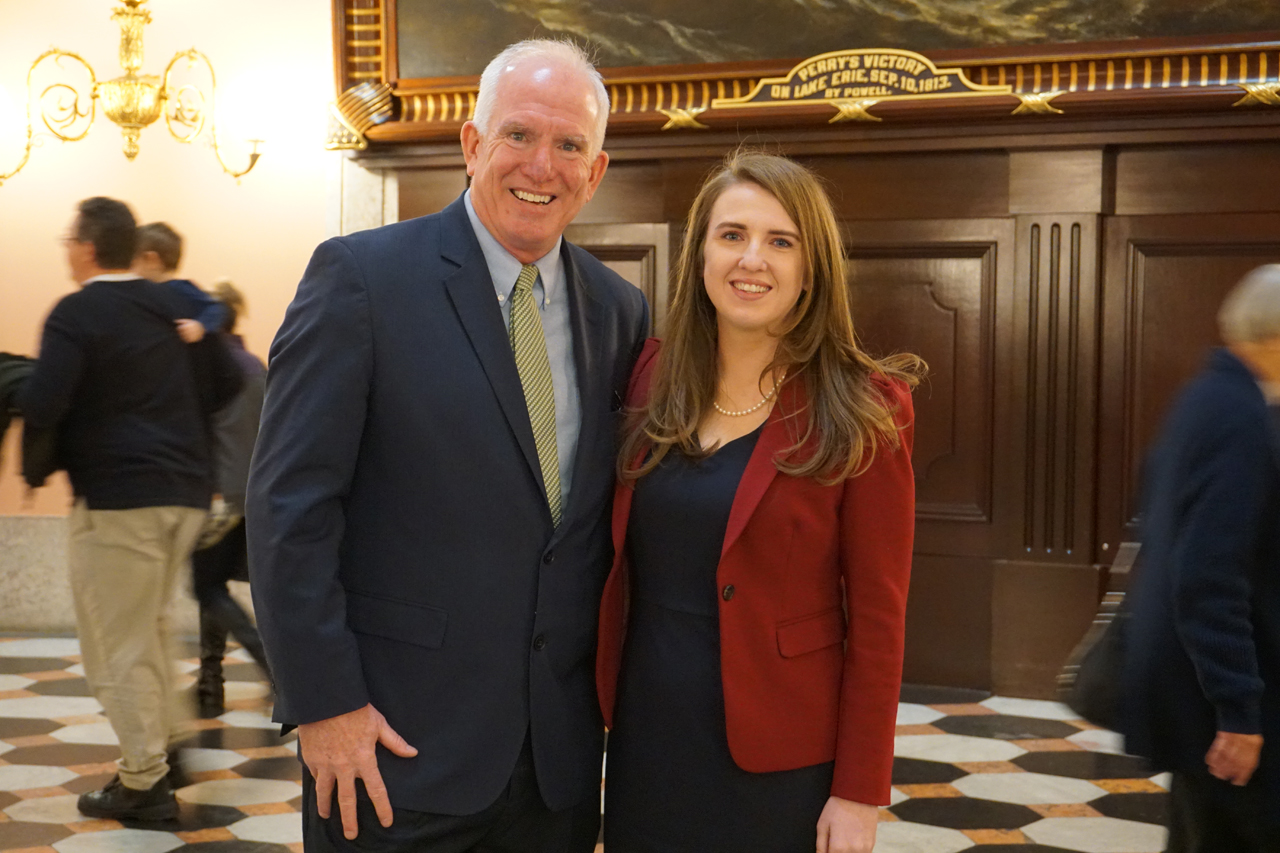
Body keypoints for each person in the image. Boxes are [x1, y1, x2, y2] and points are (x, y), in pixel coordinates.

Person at [246, 39, 649, 852]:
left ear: (595, 171)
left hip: (555, 771)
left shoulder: (621, 312)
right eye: (519, 135)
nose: (542, 164)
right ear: (472, 145)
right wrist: (324, 706)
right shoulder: (362, 279)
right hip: (392, 755)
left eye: (569, 145)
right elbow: (289, 507)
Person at [596, 152, 923, 853]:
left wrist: (859, 790)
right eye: (732, 234)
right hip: (647, 738)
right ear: (701, 254)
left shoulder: (865, 407)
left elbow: (878, 620)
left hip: (781, 755)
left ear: (813, 267)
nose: (753, 259)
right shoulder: (650, 376)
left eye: (781, 241)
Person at [17, 197, 240, 821]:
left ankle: (144, 782)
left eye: (69, 240)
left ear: (87, 248)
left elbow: (45, 401)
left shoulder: (77, 311)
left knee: (116, 645)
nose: (67, 250)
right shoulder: (171, 302)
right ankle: (164, 745)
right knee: (148, 629)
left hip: (119, 499)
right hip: (186, 494)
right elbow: (226, 380)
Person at [1120, 265, 1280, 853]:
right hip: (1220, 696)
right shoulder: (1239, 417)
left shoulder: (1207, 398)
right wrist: (1238, 708)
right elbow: (1206, 574)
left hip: (1195, 683)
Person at [189, 279, 271, 718]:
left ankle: (226, 677)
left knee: (207, 586)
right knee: (214, 583)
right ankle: (211, 682)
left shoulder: (211, 370)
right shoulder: (254, 364)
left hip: (219, 494)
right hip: (251, 495)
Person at [133, 221, 228, 343]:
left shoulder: (181, 288)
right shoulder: (145, 292)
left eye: (133, 263)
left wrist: (200, 326)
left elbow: (217, 307)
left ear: (152, 260)